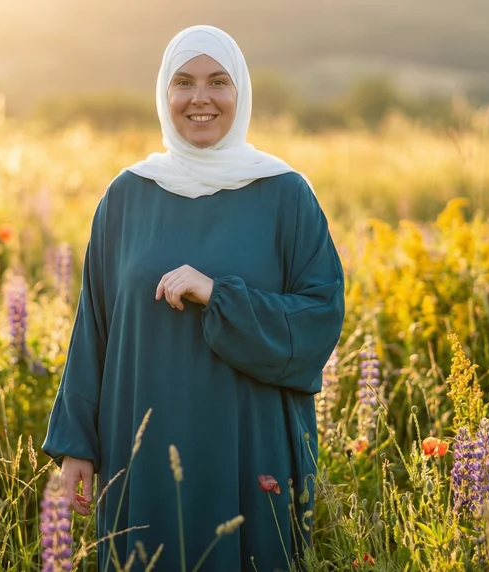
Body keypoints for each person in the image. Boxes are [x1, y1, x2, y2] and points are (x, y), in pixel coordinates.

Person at [41, 24, 345, 572]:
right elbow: (95, 328)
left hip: (249, 452)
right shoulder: (127, 195)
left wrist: (218, 296)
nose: (200, 98)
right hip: (142, 451)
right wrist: (76, 445)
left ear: (241, 92)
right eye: (183, 82)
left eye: (218, 81)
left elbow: (320, 320)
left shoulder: (284, 193)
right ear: (164, 92)